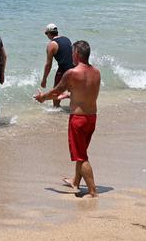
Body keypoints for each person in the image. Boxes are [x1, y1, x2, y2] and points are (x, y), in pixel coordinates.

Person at [35, 40, 101, 198]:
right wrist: (69, 95)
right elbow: (86, 91)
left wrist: (42, 97)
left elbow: (55, 91)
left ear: (77, 54)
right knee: (81, 152)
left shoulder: (72, 73)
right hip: (92, 117)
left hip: (78, 119)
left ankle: (93, 191)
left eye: (72, 52)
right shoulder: (96, 72)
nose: (71, 55)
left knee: (81, 156)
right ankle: (75, 182)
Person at [39, 23, 73, 107]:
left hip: (63, 70)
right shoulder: (66, 39)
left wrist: (44, 79)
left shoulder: (51, 45)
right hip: (75, 68)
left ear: (48, 33)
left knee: (56, 92)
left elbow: (48, 64)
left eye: (46, 33)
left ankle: (56, 109)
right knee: (73, 90)